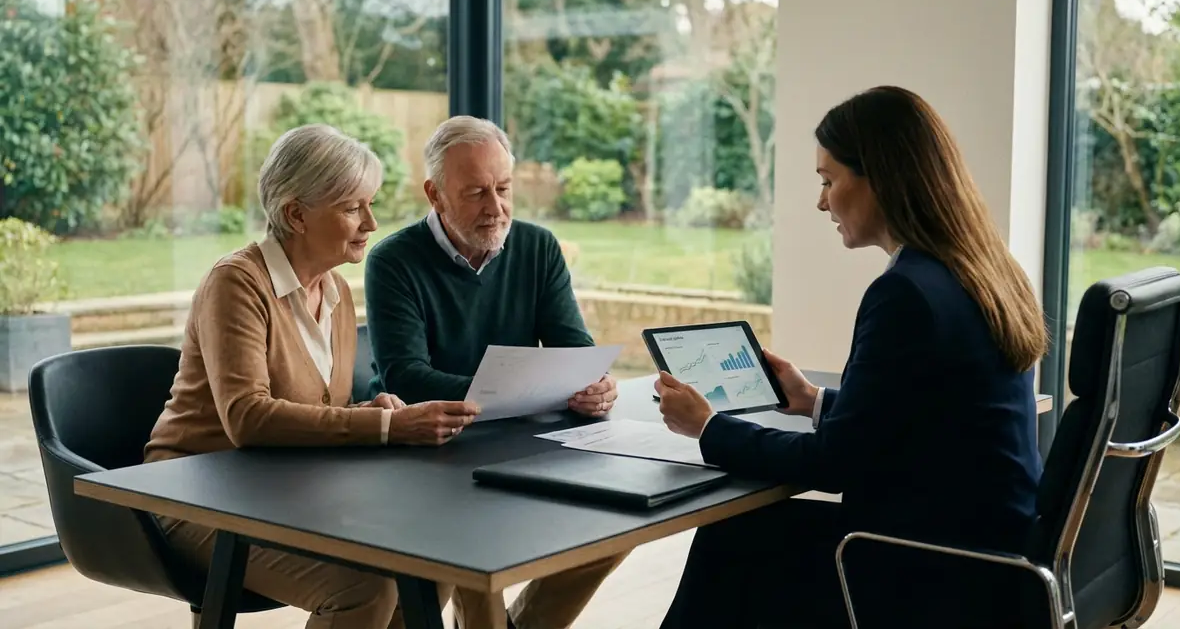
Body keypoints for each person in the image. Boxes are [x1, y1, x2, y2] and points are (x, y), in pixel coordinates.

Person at [654, 86, 1047, 629]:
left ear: (880, 178)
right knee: (742, 538)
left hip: (926, 570)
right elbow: (916, 419)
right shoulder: (985, 269)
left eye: (828, 180)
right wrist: (814, 401)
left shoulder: (905, 293)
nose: (821, 202)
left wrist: (708, 426)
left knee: (733, 541)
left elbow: (833, 464)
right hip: (993, 552)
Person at [144, 124, 480, 629]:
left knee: (435, 563)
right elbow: (248, 418)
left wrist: (365, 413)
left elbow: (317, 413)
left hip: (284, 489)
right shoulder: (236, 283)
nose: (370, 222)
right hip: (197, 496)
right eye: (351, 207)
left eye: (370, 204)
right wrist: (385, 428)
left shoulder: (338, 293)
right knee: (364, 589)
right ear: (295, 214)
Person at [363, 115, 628, 628]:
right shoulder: (392, 261)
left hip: (519, 438)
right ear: (434, 194)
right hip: (429, 448)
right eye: (477, 193)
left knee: (617, 524)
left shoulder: (537, 247)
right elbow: (405, 377)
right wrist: (520, 394)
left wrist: (595, 385)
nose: (496, 208)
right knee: (471, 551)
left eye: (504, 188)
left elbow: (574, 348)